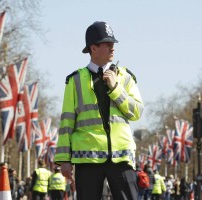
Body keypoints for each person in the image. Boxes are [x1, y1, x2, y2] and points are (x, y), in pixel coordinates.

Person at [54, 21, 144, 200]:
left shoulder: (125, 77)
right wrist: (64, 160)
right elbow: (66, 122)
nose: (113, 48)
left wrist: (116, 88)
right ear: (93, 48)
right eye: (107, 44)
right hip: (88, 158)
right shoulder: (75, 80)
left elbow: (136, 112)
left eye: (113, 44)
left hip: (121, 157)